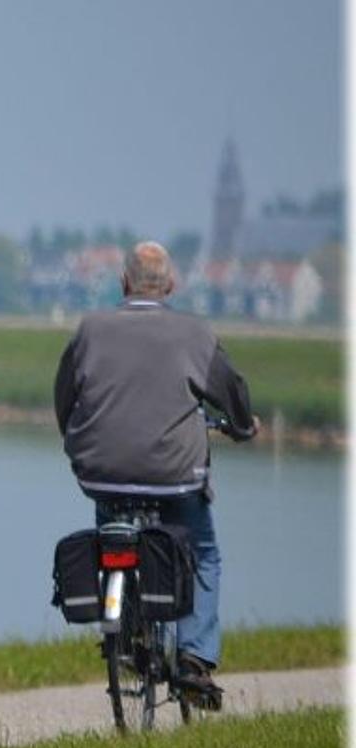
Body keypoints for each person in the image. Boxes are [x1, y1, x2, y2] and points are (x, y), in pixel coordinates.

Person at [54, 241, 258, 699]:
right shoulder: (195, 334)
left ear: (123, 283)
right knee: (202, 553)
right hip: (175, 477)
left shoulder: (90, 329)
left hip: (101, 471)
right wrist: (244, 427)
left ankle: (125, 630)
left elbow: (64, 394)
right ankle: (194, 658)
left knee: (113, 526)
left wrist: (74, 436)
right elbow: (232, 392)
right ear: (170, 285)